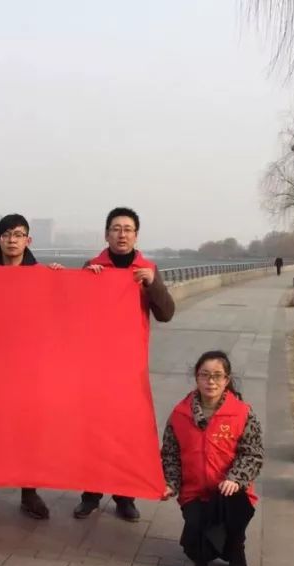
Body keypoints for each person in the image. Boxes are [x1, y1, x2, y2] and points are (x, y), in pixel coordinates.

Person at [73, 206, 176, 522]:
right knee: (94, 431)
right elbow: (74, 312)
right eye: (116, 229)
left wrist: (152, 284)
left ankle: (125, 495)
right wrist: (86, 284)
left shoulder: (147, 269)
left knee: (127, 432)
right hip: (95, 365)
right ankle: (90, 494)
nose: (122, 234)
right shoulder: (92, 267)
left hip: (130, 367)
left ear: (136, 235)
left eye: (128, 229)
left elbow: (166, 313)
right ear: (106, 235)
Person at [0, 214, 62, 520]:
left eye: (18, 235)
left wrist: (65, 281)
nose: (12, 240)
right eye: (6, 235)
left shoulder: (43, 276)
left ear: (28, 240)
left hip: (29, 366)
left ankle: (29, 493)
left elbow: (61, 312)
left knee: (28, 429)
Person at [160, 350, 263, 566]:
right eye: (205, 375)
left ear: (227, 380)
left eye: (217, 375)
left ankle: (236, 551)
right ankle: (213, 545)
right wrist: (170, 484)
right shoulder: (180, 414)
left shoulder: (242, 413)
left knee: (233, 522)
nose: (211, 381)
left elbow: (253, 453)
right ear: (196, 377)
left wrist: (235, 478)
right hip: (194, 491)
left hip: (230, 492)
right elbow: (170, 455)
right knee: (196, 551)